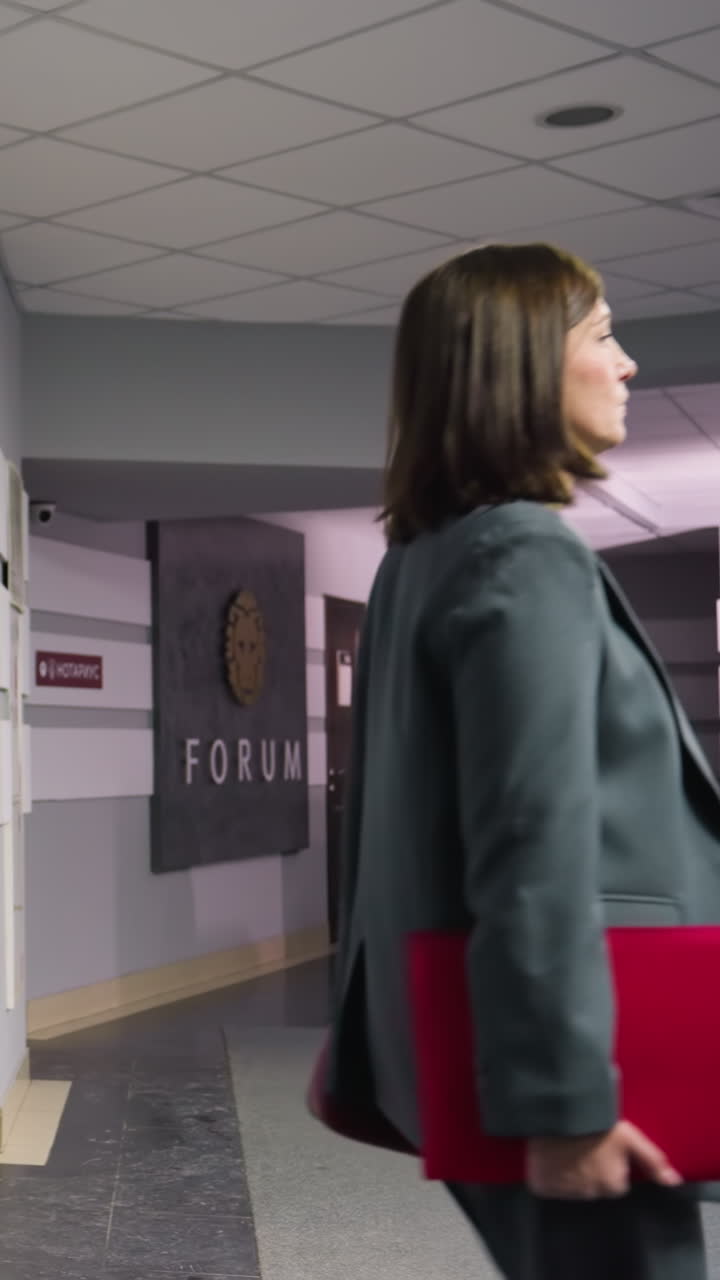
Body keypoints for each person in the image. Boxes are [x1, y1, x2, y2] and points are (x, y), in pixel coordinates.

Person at [320, 243, 720, 1278]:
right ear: (520, 363)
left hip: (473, 1042)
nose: (628, 364)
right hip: (574, 1059)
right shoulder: (523, 553)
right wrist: (565, 1103)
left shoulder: (416, 559)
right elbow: (529, 839)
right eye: (602, 336)